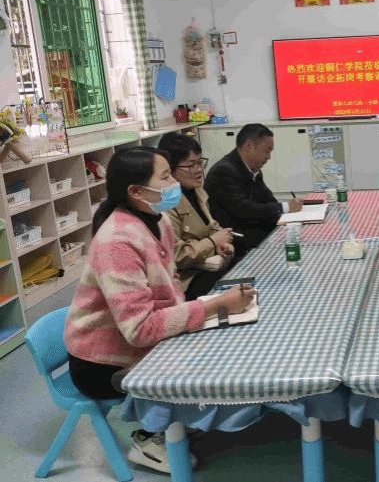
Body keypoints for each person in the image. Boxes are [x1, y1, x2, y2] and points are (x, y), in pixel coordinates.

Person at [64, 147, 255, 474]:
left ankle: (179, 420)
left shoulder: (159, 220)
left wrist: (200, 314)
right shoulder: (117, 241)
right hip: (103, 364)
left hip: (142, 340)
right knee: (210, 356)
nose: (174, 184)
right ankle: (150, 436)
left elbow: (170, 284)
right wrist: (214, 306)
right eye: (165, 177)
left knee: (222, 341)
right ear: (136, 192)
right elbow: (139, 330)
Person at [157, 132, 235, 300]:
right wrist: (212, 242)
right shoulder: (166, 203)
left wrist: (223, 242)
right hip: (187, 280)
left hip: (208, 265)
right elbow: (176, 255)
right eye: (192, 165)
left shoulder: (196, 190)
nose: (199, 170)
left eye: (200, 162)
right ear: (170, 169)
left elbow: (212, 226)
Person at [204, 124, 303, 255]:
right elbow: (245, 209)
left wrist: (285, 209)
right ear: (249, 146)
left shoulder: (252, 169)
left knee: (297, 235)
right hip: (237, 240)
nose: (269, 157)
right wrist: (285, 207)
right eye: (267, 151)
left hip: (255, 230)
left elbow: (269, 200)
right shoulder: (224, 171)